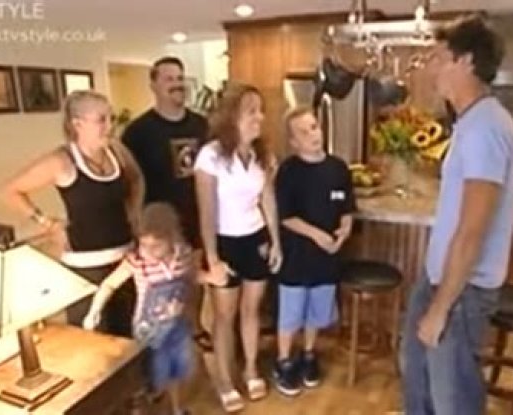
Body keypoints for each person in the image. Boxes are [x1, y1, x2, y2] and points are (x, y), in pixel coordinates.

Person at [399, 15, 513, 415]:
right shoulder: (472, 123)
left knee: (453, 401)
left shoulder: (486, 127)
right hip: (441, 280)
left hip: (460, 293)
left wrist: (440, 309)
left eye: (438, 58)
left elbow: (472, 231)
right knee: (417, 378)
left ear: (466, 61)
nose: (431, 68)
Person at [0, 90, 144, 337]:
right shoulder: (61, 161)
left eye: (111, 118)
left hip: (126, 261)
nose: (110, 126)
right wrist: (46, 222)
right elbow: (10, 191)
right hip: (86, 267)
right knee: (94, 340)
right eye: (101, 120)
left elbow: (136, 180)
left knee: (130, 339)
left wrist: (134, 214)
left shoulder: (117, 151)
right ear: (77, 124)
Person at [83, 203, 221, 415]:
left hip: (176, 327)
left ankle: (177, 409)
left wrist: (211, 277)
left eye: (156, 246)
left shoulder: (183, 255)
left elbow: (192, 276)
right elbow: (109, 284)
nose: (148, 251)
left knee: (175, 372)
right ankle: (146, 403)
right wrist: (94, 310)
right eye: (143, 245)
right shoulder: (137, 262)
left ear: (172, 239)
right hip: (147, 330)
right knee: (147, 375)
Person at [194, 83, 282, 413]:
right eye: (251, 112)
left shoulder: (263, 155)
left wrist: (275, 241)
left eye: (261, 111)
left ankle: (250, 370)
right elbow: (206, 211)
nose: (260, 118)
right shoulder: (210, 156)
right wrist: (213, 258)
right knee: (223, 317)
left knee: (252, 310)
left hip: (255, 238)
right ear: (232, 117)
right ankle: (224, 381)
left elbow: (268, 200)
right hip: (224, 242)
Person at [122, 56, 212, 349]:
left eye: (179, 78)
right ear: (154, 85)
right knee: (163, 282)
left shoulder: (201, 125)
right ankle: (166, 333)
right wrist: (135, 219)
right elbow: (129, 180)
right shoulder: (138, 132)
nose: (176, 84)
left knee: (194, 274)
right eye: (169, 79)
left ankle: (195, 326)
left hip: (197, 214)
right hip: (159, 221)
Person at [272, 107, 356, 396]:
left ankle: (308, 354)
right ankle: (284, 360)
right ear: (293, 142)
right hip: (296, 257)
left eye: (314, 127)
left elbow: (346, 207)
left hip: (326, 258)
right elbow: (286, 216)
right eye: (304, 132)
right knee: (291, 313)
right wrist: (316, 235)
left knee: (316, 312)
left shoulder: (338, 168)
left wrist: (344, 228)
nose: (313, 135)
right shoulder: (288, 171)